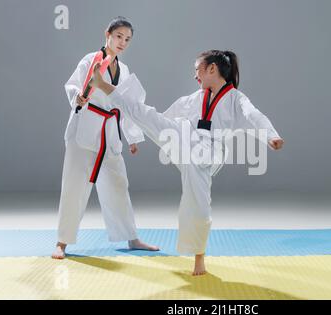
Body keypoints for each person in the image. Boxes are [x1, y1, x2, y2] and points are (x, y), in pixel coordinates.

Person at [90, 49, 284, 275]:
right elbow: (161, 119)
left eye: (197, 70)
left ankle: (198, 257)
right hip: (184, 139)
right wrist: (141, 132)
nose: (195, 76)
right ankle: (102, 84)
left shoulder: (236, 99)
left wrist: (270, 135)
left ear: (212, 69)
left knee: (198, 206)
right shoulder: (193, 98)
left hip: (209, 152)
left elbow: (253, 116)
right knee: (148, 114)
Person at [52, 16, 159, 259]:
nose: (122, 42)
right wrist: (78, 96)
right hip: (84, 127)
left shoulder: (125, 70)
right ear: (107, 35)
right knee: (74, 185)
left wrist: (132, 136)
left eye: (127, 39)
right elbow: (71, 86)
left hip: (109, 132)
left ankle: (132, 238)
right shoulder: (91, 60)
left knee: (118, 184)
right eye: (119, 36)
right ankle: (62, 242)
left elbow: (127, 104)